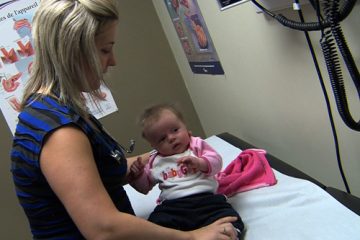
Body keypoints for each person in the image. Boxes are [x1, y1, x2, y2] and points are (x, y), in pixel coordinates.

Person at [10, 0, 239, 239]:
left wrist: (166, 155)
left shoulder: (54, 108)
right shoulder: (60, 133)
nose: (113, 61)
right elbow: (103, 229)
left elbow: (94, 170)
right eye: (105, 50)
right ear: (73, 51)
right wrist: (192, 237)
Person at [129, 104, 244, 238]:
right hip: (173, 207)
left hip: (206, 200)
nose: (171, 138)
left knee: (229, 217)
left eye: (175, 130)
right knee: (156, 224)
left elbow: (217, 162)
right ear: (153, 146)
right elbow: (144, 187)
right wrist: (137, 176)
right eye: (162, 139)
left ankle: (231, 233)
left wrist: (200, 163)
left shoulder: (196, 145)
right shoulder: (154, 161)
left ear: (186, 127)